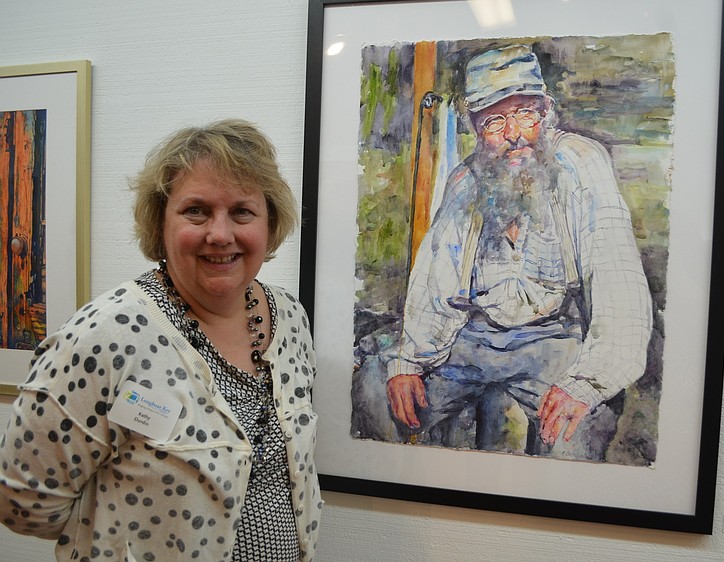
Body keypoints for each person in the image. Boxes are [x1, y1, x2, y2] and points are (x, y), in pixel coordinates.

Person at [0, 119, 322, 561]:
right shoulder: (102, 337)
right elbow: (25, 504)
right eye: (196, 210)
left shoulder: (290, 318)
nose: (221, 234)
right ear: (160, 222)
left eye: (243, 212)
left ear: (270, 223)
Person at [384, 45, 653, 459]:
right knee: (381, 401)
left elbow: (619, 283)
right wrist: (408, 363)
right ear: (477, 129)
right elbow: (433, 283)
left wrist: (588, 382)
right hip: (472, 339)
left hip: (554, 338)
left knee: (574, 442)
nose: (514, 133)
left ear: (545, 113)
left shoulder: (579, 163)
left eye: (525, 113)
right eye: (495, 120)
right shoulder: (467, 181)